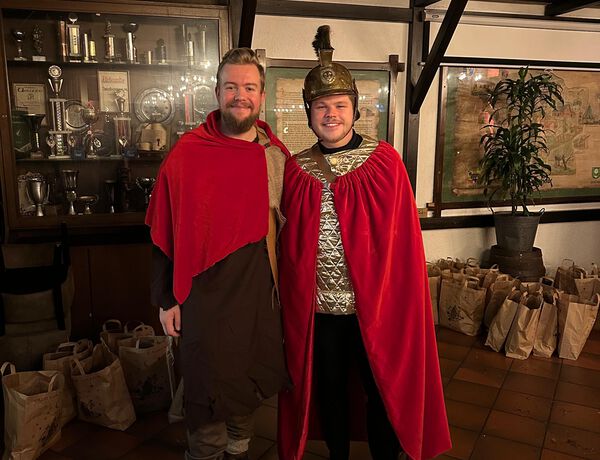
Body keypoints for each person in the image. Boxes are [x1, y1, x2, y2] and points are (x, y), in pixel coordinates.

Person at [277, 26, 451, 460]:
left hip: (376, 308)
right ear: (309, 113)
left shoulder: (384, 162)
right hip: (320, 311)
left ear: (355, 109)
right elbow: (288, 246)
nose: (330, 114)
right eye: (321, 106)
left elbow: (402, 246)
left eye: (339, 105)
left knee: (382, 392)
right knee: (329, 392)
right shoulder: (296, 170)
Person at [146, 47, 290, 460]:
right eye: (231, 87)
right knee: (205, 392)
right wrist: (166, 299)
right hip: (203, 297)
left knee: (245, 388)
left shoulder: (275, 155)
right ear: (217, 92)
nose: (239, 95)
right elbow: (163, 231)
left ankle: (238, 452)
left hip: (257, 295)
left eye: (249, 88)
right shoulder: (187, 152)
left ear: (261, 96)